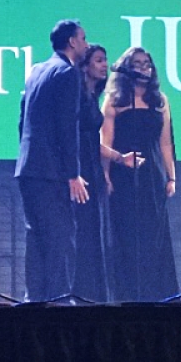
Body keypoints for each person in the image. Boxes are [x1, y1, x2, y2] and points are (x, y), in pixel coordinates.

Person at [15, 19, 90, 301]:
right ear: (71, 42)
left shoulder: (36, 71)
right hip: (51, 172)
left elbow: (23, 122)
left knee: (36, 239)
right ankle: (59, 300)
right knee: (60, 237)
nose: (85, 44)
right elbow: (66, 126)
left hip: (28, 167)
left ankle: (35, 299)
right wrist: (72, 173)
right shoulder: (67, 73)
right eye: (82, 39)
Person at [102, 46, 178, 301]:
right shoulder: (115, 100)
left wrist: (171, 176)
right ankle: (128, 295)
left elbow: (165, 142)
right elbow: (106, 140)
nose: (144, 67)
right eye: (137, 63)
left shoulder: (160, 101)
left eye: (147, 62)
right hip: (124, 175)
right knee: (127, 236)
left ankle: (156, 295)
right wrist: (106, 175)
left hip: (152, 176)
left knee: (153, 238)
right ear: (127, 67)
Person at [72, 44, 111, 301]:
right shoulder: (75, 94)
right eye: (98, 60)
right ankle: (81, 291)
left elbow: (92, 139)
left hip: (92, 166)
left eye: (105, 60)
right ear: (85, 65)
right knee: (82, 230)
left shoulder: (93, 94)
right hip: (79, 167)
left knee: (94, 230)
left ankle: (95, 293)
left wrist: (118, 158)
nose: (104, 65)